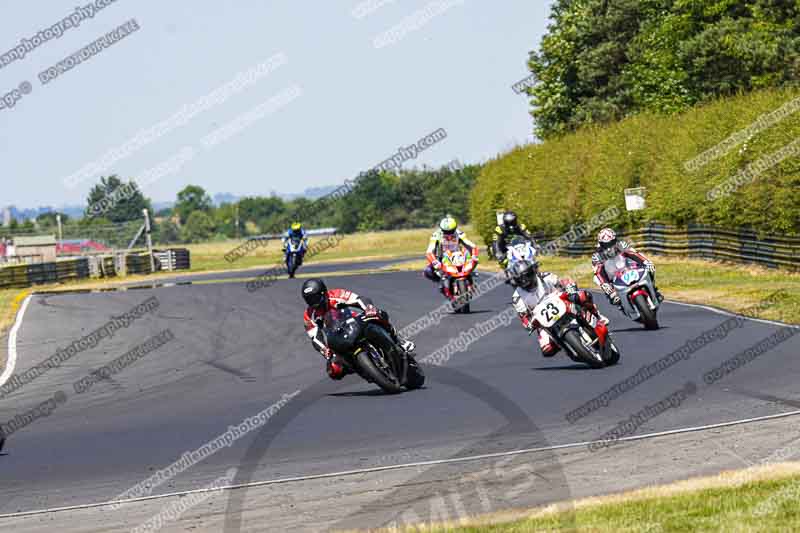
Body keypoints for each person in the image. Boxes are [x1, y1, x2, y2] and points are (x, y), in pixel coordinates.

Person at [301, 278, 417, 380]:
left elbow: (358, 299)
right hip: (335, 336)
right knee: (334, 371)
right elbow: (315, 337)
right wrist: (325, 350)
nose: (314, 303)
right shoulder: (309, 315)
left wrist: (369, 308)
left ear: (324, 293)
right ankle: (358, 368)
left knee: (379, 314)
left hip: (354, 322)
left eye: (315, 298)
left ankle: (399, 340)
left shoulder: (336, 294)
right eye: (309, 300)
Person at [510, 259, 608, 357]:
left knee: (582, 296)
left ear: (532, 272)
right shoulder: (517, 297)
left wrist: (569, 286)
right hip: (543, 318)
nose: (524, 280)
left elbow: (563, 281)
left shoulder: (544, 276)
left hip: (560, 299)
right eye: (520, 279)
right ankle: (567, 345)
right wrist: (529, 325)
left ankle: (597, 316)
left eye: (526, 276)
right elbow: (524, 317)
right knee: (547, 350)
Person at [591, 228, 663, 309]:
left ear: (615, 240)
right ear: (600, 244)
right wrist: (605, 284)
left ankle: (654, 290)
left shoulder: (621, 245)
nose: (608, 247)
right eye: (605, 245)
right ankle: (614, 297)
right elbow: (598, 272)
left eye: (610, 243)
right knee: (596, 279)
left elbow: (633, 254)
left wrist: (646, 262)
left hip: (627, 268)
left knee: (650, 267)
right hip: (611, 276)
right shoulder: (597, 255)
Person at [423, 215, 479, 294]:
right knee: (427, 272)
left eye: (451, 231)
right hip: (441, 258)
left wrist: (474, 255)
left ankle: (471, 280)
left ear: (455, 228)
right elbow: (429, 251)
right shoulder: (436, 235)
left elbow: (471, 245)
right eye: (446, 232)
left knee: (475, 261)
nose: (449, 234)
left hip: (458, 256)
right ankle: (442, 282)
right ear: (441, 229)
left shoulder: (459, 233)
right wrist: (434, 261)